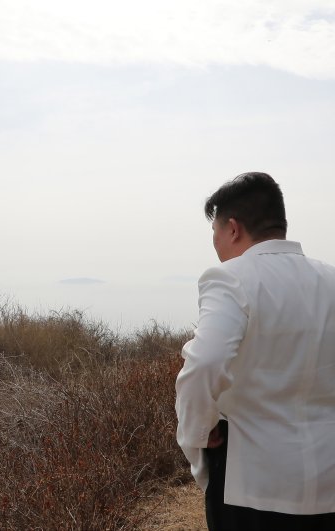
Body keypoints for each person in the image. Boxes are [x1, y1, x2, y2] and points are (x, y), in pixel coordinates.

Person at [175, 172, 335, 530]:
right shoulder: (330, 280)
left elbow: (205, 364)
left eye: (214, 232)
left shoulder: (230, 277)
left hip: (251, 485)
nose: (215, 243)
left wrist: (197, 441)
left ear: (232, 228)